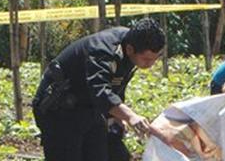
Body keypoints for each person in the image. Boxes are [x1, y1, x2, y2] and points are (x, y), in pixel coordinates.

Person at [32, 18, 166, 161]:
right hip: (58, 109)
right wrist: (130, 116)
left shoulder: (131, 45)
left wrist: (116, 116)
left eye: (155, 59)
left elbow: (115, 84)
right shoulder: (102, 50)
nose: (151, 64)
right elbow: (99, 90)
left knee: (107, 155)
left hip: (88, 108)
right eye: (146, 59)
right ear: (130, 49)